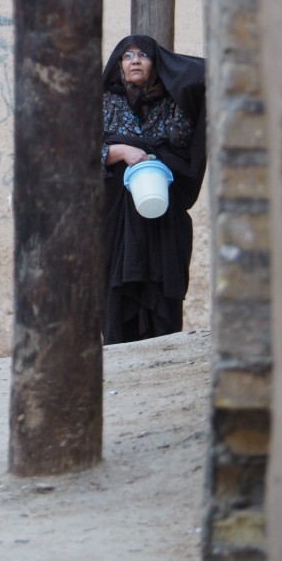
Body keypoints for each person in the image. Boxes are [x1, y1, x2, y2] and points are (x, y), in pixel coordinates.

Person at [101, 35, 206, 344]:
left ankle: (163, 351)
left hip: (162, 218)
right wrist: (122, 151)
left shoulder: (173, 104)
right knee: (115, 292)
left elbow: (203, 78)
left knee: (161, 285)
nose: (135, 60)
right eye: (127, 56)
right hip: (115, 219)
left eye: (144, 55)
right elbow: (76, 155)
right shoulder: (103, 102)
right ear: (118, 65)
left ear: (157, 64)